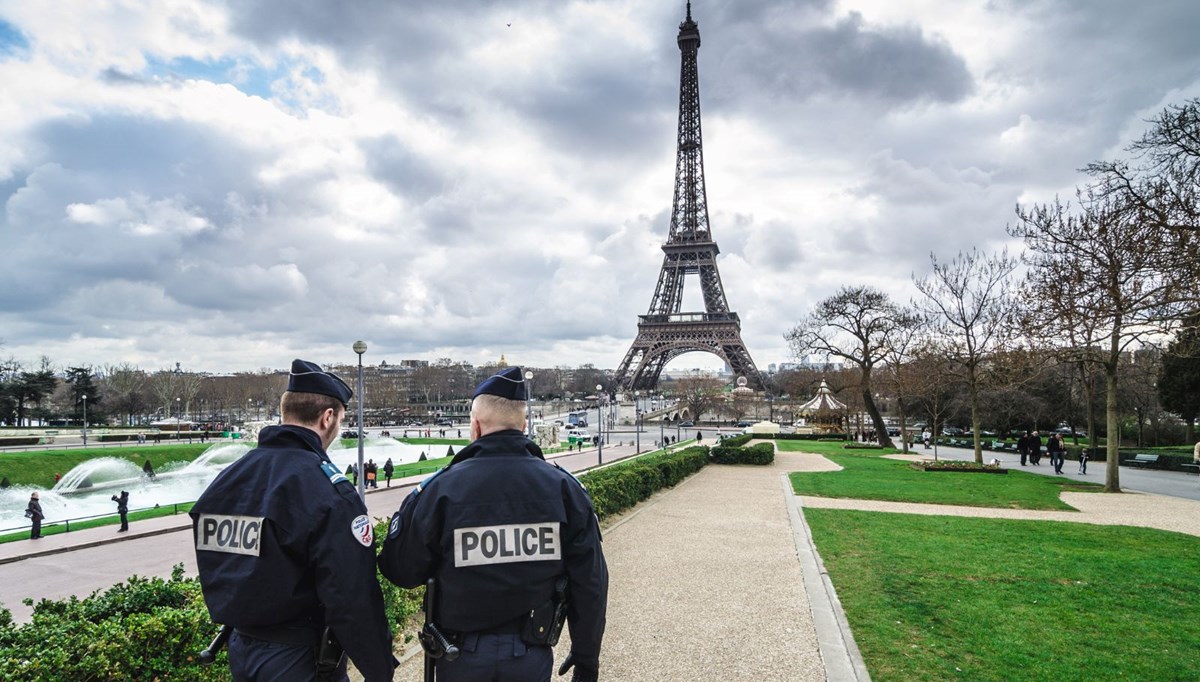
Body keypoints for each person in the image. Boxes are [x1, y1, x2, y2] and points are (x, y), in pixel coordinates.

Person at [380, 366, 607, 682]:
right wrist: (586, 659)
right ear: (524, 425)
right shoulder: (564, 489)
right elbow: (590, 584)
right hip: (530, 652)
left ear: (474, 426)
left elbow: (400, 571)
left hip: (459, 655)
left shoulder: (440, 490)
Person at [190, 359, 394, 682]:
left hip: (241, 649)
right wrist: (379, 670)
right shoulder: (328, 491)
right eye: (340, 420)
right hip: (299, 657)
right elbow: (352, 597)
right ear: (328, 418)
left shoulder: (228, 480)